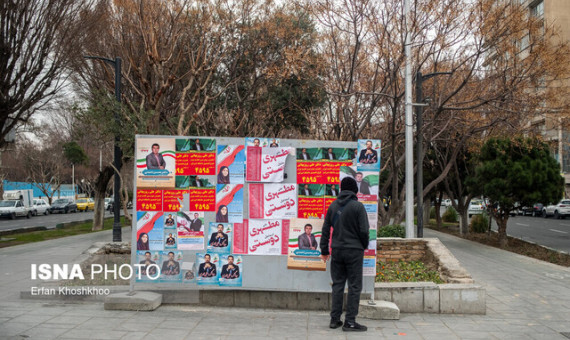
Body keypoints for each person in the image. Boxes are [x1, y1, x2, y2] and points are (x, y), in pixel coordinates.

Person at [319, 177, 370, 332]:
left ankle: (335, 320)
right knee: (354, 286)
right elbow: (364, 231)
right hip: (354, 251)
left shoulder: (333, 206)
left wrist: (324, 250)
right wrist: (364, 245)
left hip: (337, 251)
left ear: (341, 190)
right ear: (355, 190)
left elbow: (326, 229)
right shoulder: (358, 207)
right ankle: (350, 322)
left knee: (338, 284)